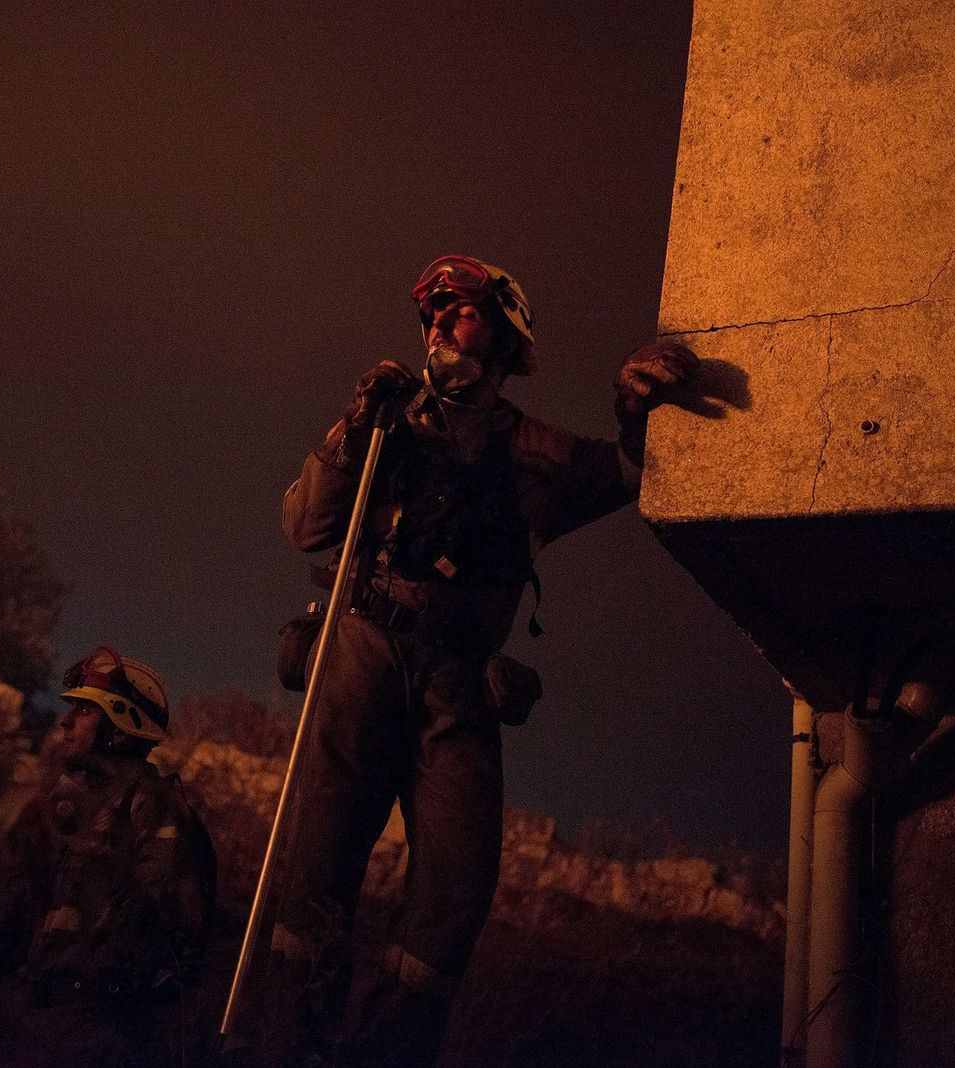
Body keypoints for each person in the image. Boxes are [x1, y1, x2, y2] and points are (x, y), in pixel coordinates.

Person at [268, 255, 697, 1065]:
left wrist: (637, 408)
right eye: (433, 315)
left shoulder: (538, 455)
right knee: (317, 867)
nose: (438, 326)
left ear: (506, 338)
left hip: (459, 679)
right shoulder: (387, 424)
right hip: (364, 650)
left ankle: (385, 1052)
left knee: (456, 893)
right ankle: (291, 1045)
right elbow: (304, 527)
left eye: (460, 313)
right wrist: (352, 424)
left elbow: (632, 474)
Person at [12, 646, 217, 1067]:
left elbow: (174, 939)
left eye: (85, 711)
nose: (65, 722)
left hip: (106, 1034)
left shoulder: (152, 805)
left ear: (121, 728)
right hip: (47, 1021)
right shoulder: (70, 806)